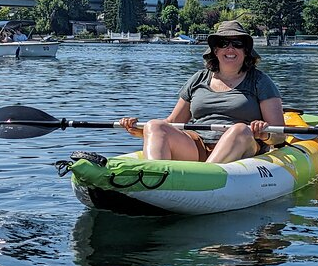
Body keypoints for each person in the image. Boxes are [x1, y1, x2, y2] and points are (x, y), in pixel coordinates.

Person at [119, 20, 285, 162]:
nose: (230, 49)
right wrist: (141, 129)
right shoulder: (198, 79)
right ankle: (153, 177)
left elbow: (279, 134)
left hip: (242, 145)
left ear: (245, 51)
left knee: (239, 129)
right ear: (215, 50)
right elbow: (173, 123)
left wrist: (262, 133)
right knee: (155, 125)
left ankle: (207, 177)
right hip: (197, 144)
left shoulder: (260, 81)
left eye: (237, 44)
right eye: (223, 44)